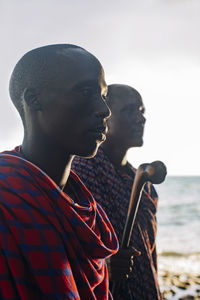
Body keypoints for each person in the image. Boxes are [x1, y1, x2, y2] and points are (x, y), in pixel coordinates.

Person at [0, 46, 135, 299]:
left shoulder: (84, 208)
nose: (104, 111)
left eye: (103, 96)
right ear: (33, 99)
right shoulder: (6, 201)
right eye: (85, 92)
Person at [72, 84, 162, 300]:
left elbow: (149, 254)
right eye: (130, 110)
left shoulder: (143, 183)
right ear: (103, 116)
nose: (141, 119)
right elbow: (70, 251)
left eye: (142, 111)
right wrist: (106, 266)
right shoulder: (80, 173)